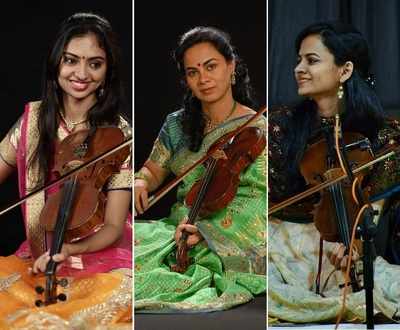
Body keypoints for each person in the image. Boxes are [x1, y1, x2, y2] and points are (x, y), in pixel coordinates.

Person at [0, 13, 132, 328]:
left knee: (101, 308)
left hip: (98, 249)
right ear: (56, 63)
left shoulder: (119, 134)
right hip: (40, 250)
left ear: (108, 70)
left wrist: (70, 249)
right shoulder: (33, 121)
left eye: (95, 64)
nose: (81, 73)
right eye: (71, 60)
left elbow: (114, 226)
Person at [268, 21, 400, 324]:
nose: (298, 68)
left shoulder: (383, 136)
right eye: (298, 60)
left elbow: (375, 210)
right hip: (287, 244)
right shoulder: (280, 126)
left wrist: (352, 243)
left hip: (350, 245)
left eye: (311, 60)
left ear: (345, 70)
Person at [134, 26, 266, 312]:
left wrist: (206, 232)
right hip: (177, 227)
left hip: (224, 234)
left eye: (211, 66)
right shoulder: (175, 124)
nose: (203, 79)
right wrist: (140, 182)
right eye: (193, 72)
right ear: (186, 80)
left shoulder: (257, 129)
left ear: (231, 67)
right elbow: (153, 170)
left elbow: (259, 197)